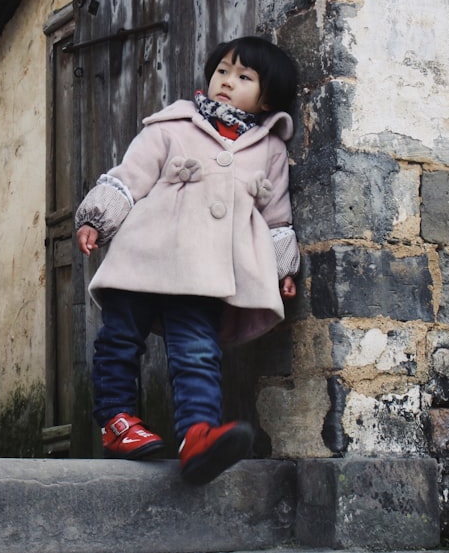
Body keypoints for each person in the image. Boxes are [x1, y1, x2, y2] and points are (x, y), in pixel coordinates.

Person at [74, 36, 300, 485]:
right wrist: (97, 219)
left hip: (205, 270)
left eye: (243, 77)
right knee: (121, 338)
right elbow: (128, 178)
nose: (227, 82)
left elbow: (276, 217)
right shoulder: (172, 126)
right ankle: (117, 421)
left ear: (267, 96)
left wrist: (283, 267)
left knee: (198, 350)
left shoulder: (269, 149)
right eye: (222, 71)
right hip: (145, 253)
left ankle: (198, 437)